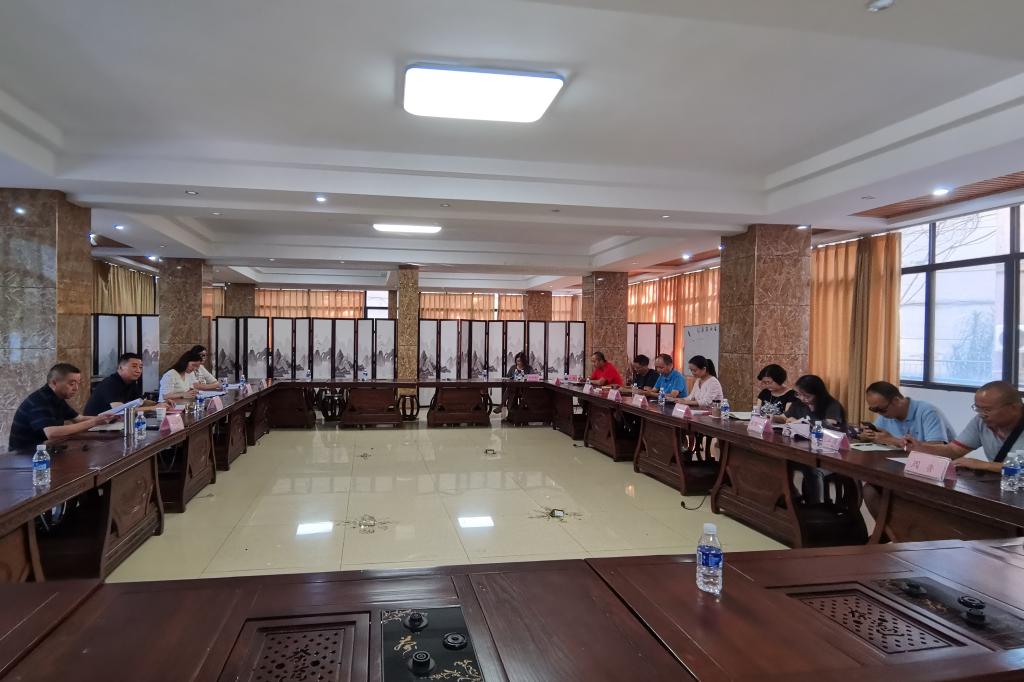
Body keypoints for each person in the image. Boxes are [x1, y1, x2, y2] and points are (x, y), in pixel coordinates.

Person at [903, 381, 1024, 472]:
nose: (981, 414)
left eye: (987, 410)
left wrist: (984, 465)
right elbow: (954, 450)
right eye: (977, 408)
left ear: (1014, 408)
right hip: (1005, 485)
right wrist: (921, 447)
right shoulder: (980, 422)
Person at [8, 363, 115, 450]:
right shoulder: (39, 400)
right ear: (54, 383)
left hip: (45, 449)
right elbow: (52, 433)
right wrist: (94, 422)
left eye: (78, 383)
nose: (76, 388)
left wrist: (107, 418)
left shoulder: (57, 397)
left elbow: (79, 419)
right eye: (71, 384)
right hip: (24, 456)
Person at [862, 381, 956, 447]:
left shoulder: (928, 412)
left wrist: (893, 440)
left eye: (881, 409)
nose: (879, 413)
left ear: (896, 401)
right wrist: (867, 436)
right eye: (874, 410)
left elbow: (937, 447)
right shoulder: (886, 414)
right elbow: (879, 436)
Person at [83, 352, 153, 416]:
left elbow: (141, 402)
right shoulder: (111, 383)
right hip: (96, 423)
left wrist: (157, 404)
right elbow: (121, 410)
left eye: (140, 367)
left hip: (114, 422)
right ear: (120, 367)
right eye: (134, 366)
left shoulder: (132, 382)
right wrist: (153, 408)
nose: (138, 370)